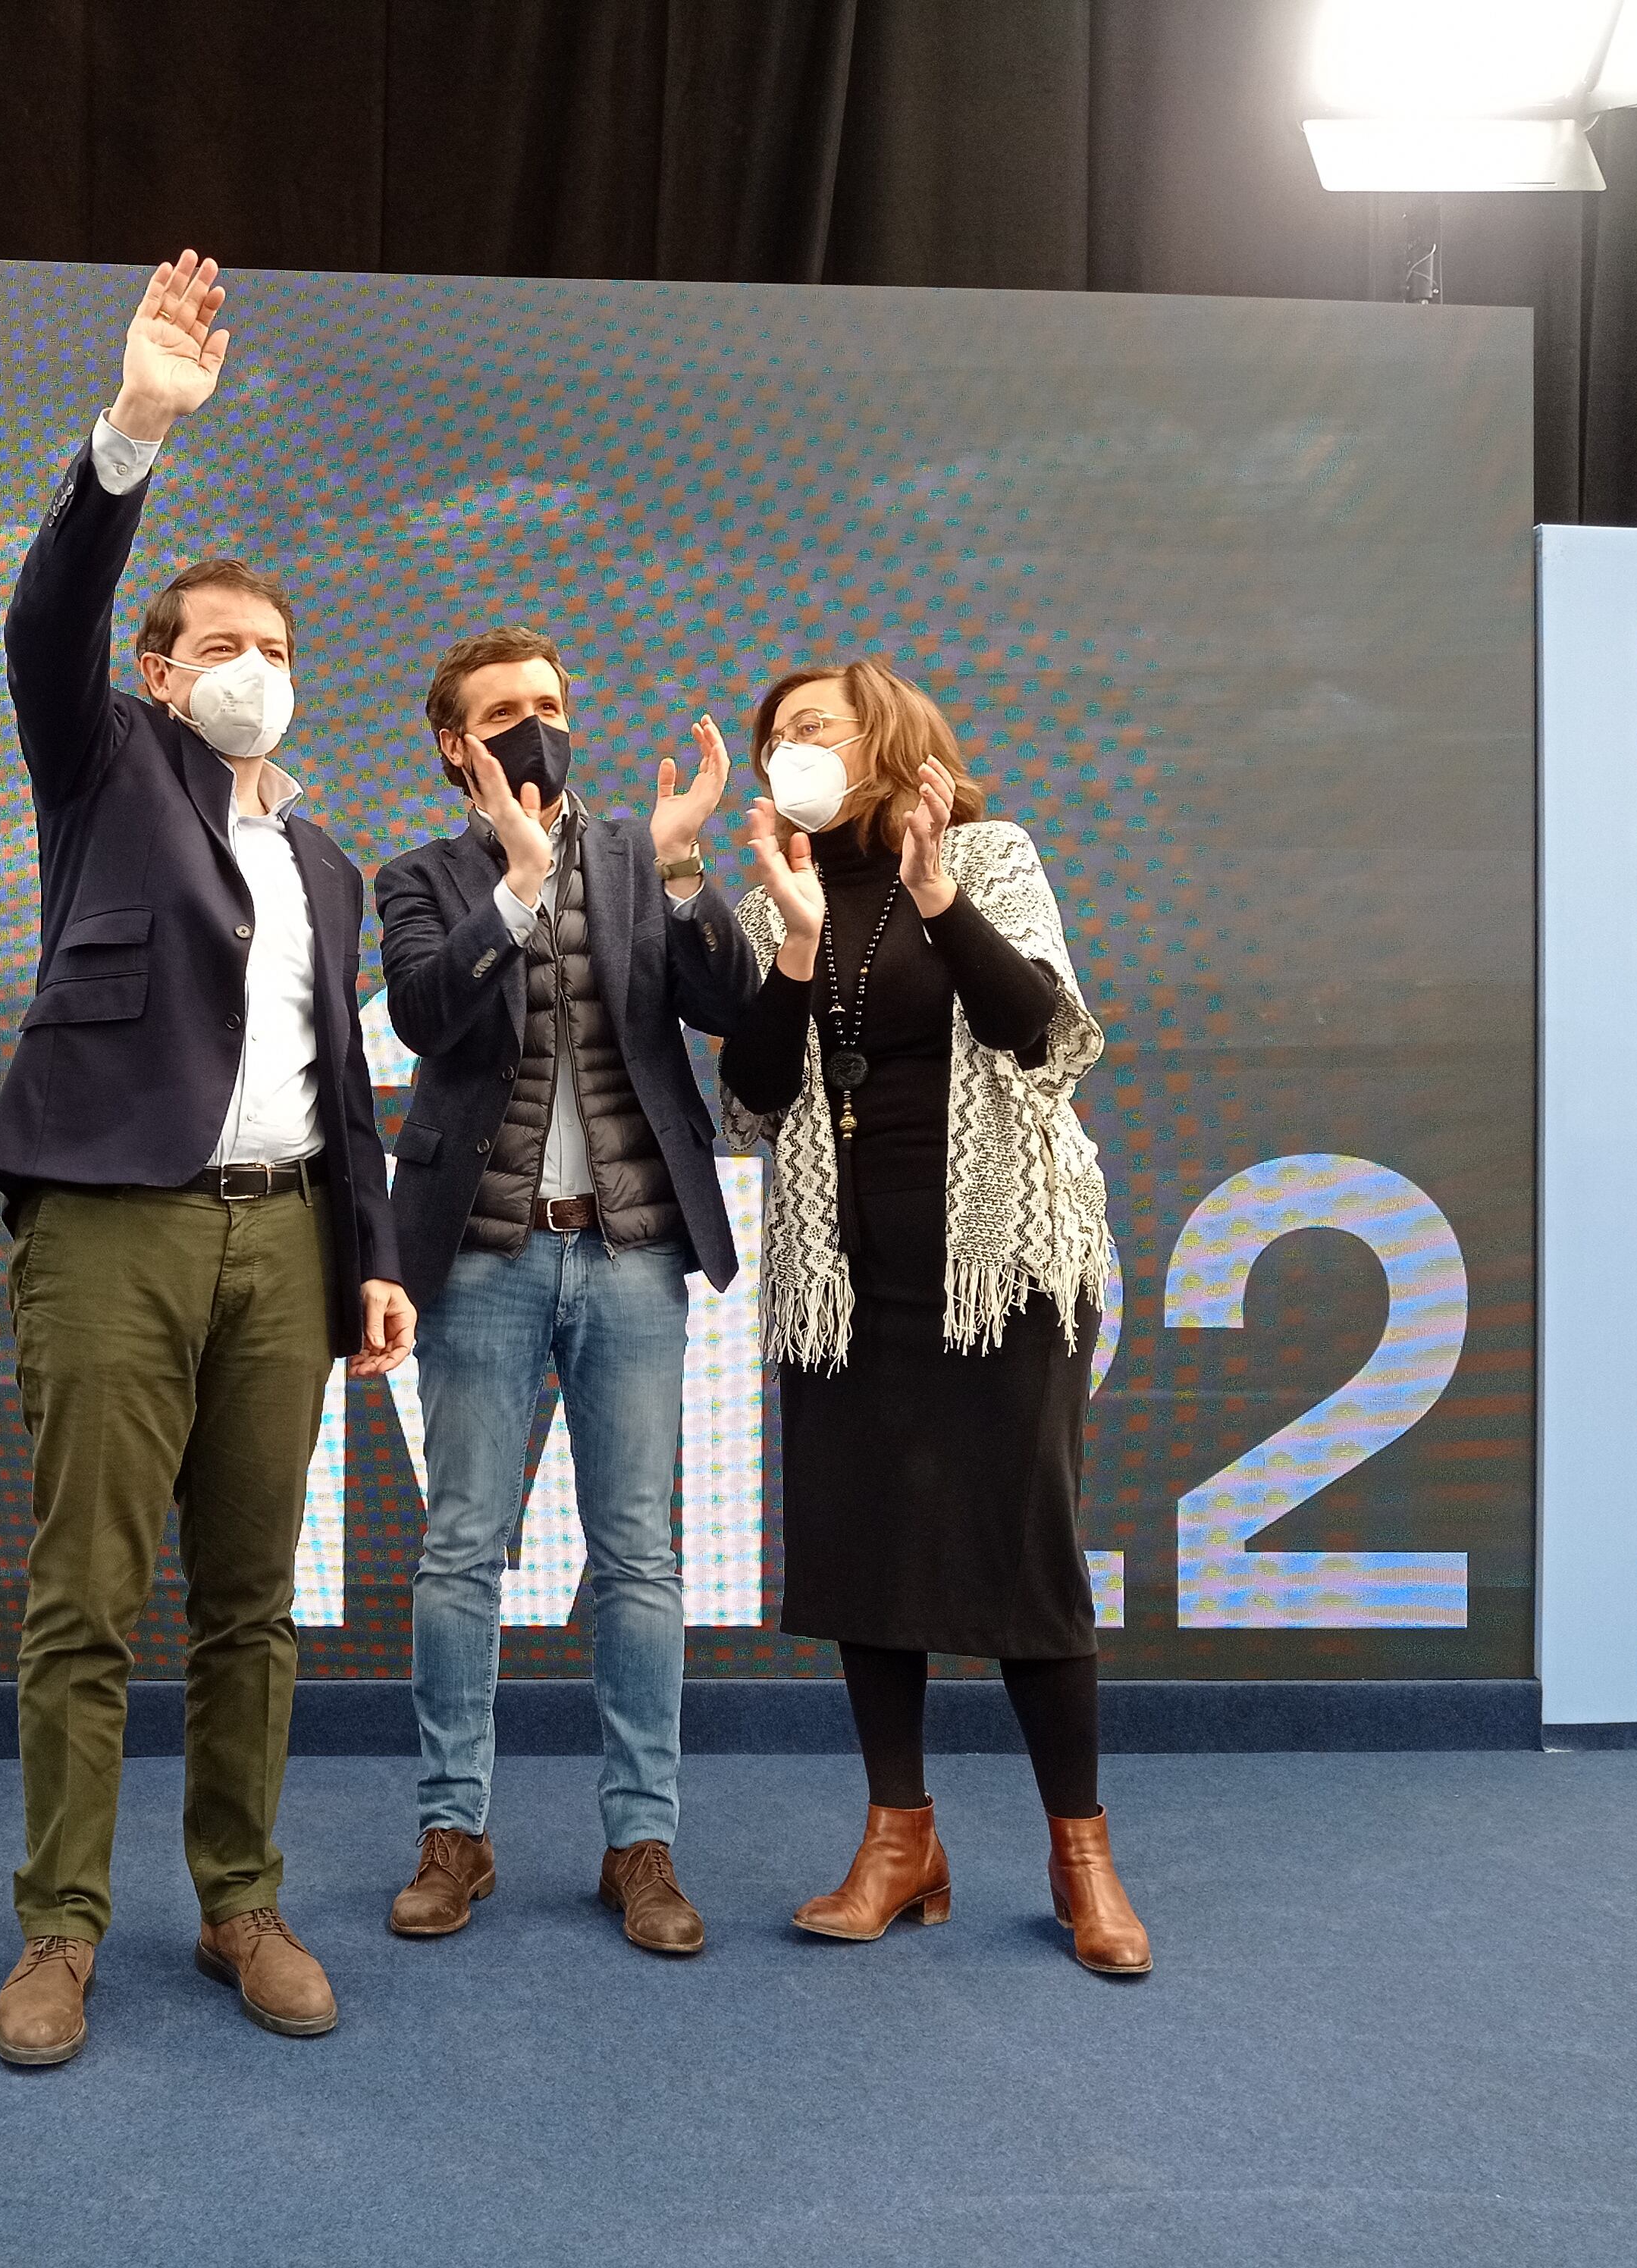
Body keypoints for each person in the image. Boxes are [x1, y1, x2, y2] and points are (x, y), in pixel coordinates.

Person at [0, 252, 413, 2066]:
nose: (254, 670)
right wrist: (135, 428)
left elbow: (347, 1084)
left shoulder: (324, 860)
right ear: (161, 672)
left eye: (276, 651)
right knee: (87, 1596)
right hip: (111, 1234)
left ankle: (238, 1899)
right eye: (220, 647)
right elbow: (43, 617)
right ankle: (59, 1932)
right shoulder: (101, 769)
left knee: (251, 1601)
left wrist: (368, 1250)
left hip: (283, 1239)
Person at [717, 655, 1150, 1978]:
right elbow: (752, 1098)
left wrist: (938, 899)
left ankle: (1083, 1857)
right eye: (779, 733)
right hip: (845, 1278)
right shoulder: (766, 897)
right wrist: (790, 943)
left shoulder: (992, 853)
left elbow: (1046, 1036)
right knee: (866, 1554)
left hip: (1004, 1267)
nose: (794, 746)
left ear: (887, 741)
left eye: (818, 726)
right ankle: (899, 1840)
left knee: (1027, 1556)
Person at [370, 628, 761, 1954]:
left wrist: (685, 858)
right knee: (461, 1550)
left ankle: (640, 1845)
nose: (536, 726)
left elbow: (732, 1002)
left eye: (550, 704)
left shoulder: (643, 857)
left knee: (639, 1555)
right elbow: (427, 1017)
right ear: (453, 744)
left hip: (634, 1252)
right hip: (479, 1259)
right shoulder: (418, 876)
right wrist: (519, 890)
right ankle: (453, 1834)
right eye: (504, 712)